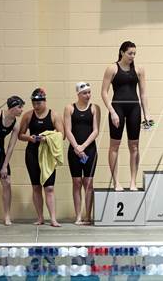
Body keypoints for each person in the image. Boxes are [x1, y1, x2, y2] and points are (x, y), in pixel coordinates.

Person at [101, 41, 152, 191]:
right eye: (130, 53)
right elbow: (104, 92)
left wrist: (147, 114)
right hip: (117, 107)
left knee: (134, 145)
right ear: (122, 52)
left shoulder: (139, 70)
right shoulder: (112, 68)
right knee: (114, 145)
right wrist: (112, 111)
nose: (132, 56)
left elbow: (143, 93)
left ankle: (132, 181)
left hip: (134, 108)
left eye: (135, 53)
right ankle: (116, 181)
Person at [19, 88, 64, 227]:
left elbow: (62, 134)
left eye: (38, 103)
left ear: (44, 101)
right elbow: (20, 135)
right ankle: (40, 218)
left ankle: (53, 219)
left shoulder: (54, 115)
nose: (36, 106)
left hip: (47, 155)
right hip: (32, 153)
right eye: (34, 103)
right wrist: (30, 138)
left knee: (49, 188)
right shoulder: (27, 116)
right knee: (36, 187)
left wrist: (47, 139)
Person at [64, 82, 100, 225]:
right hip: (74, 150)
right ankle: (78, 215)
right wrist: (77, 147)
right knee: (77, 182)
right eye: (85, 93)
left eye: (89, 92)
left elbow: (96, 130)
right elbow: (68, 130)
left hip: (90, 150)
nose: (88, 95)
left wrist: (83, 147)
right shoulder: (69, 108)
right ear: (78, 94)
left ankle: (88, 216)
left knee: (88, 183)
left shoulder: (95, 108)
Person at [0, 96, 24, 225]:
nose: (22, 110)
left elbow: (10, 147)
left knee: (7, 182)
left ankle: (7, 216)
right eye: (19, 107)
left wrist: (4, 166)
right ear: (12, 108)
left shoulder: (16, 124)